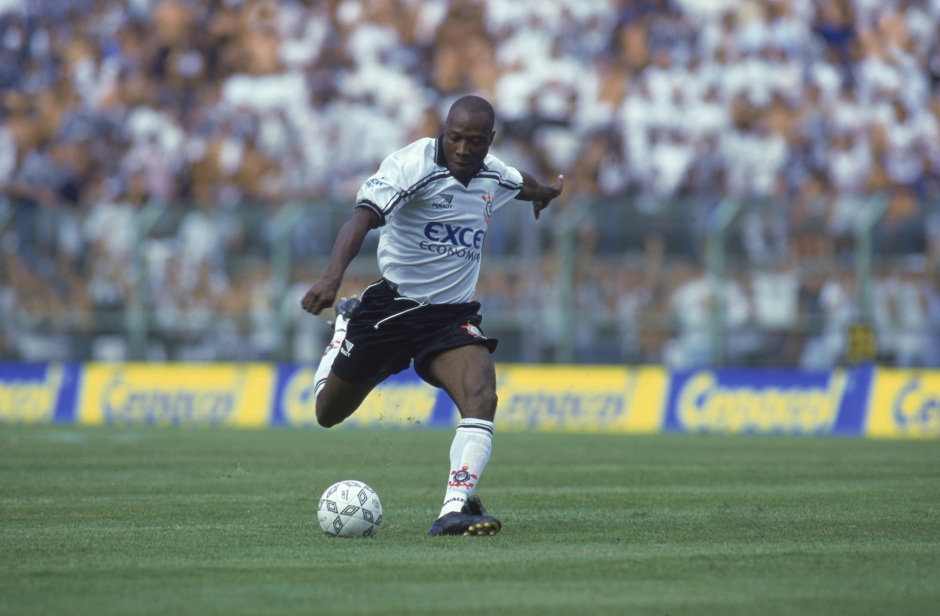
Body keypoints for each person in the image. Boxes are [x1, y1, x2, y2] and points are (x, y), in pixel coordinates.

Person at [301, 95, 563, 536]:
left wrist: (546, 194)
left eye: (475, 142)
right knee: (328, 413)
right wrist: (331, 277)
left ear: (489, 141)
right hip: (390, 310)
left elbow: (523, 184)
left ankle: (453, 510)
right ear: (444, 130)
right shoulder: (411, 167)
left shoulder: (492, 172)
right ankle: (343, 330)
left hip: (449, 318)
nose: (463, 149)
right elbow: (361, 218)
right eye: (456, 138)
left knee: (481, 396)